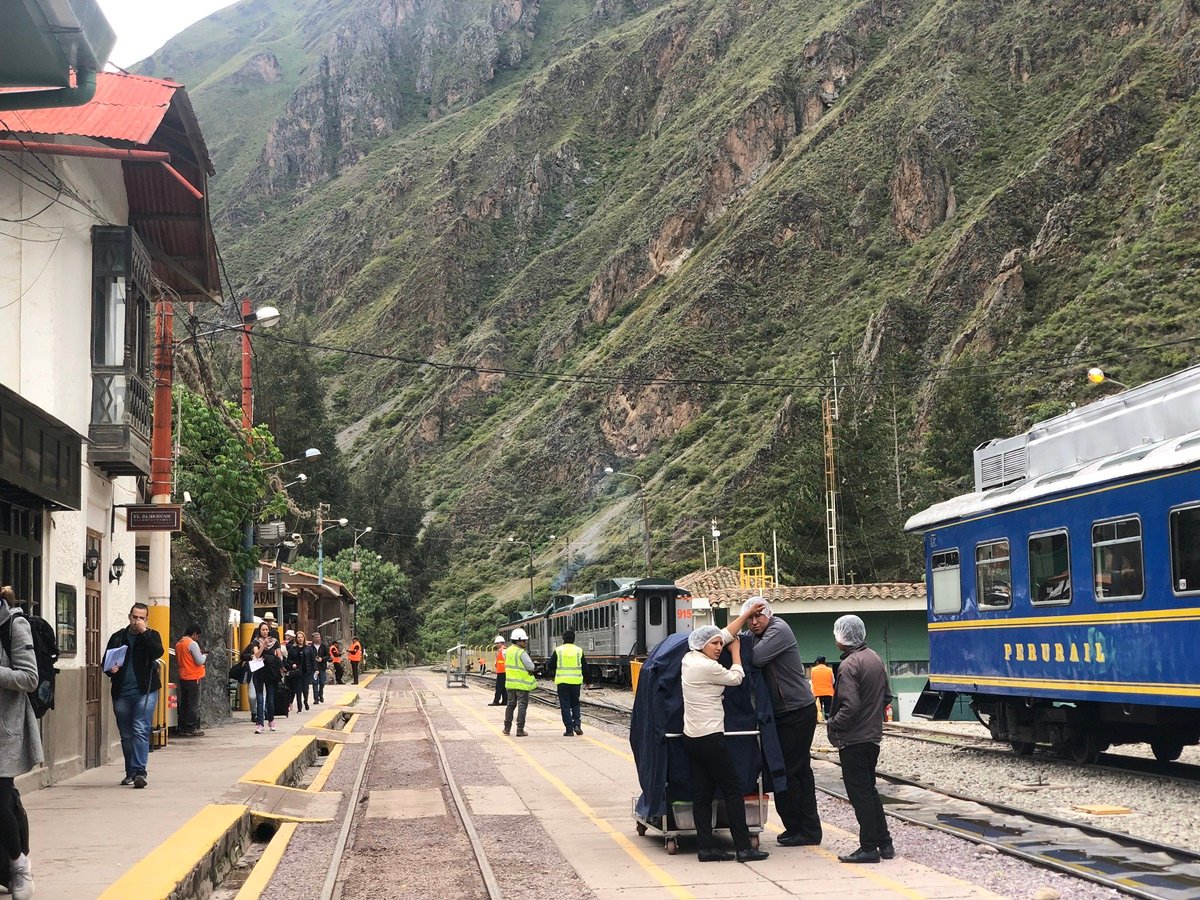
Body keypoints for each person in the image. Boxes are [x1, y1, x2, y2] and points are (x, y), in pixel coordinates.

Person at [735, 597, 822, 847]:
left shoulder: (779, 630)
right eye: (749, 618)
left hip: (797, 711)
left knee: (790, 771)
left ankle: (803, 829)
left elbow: (756, 658)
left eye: (757, 616)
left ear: (769, 615)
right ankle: (804, 828)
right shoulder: (759, 634)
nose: (753, 622)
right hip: (782, 713)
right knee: (798, 770)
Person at [681, 624, 770, 863]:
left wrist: (745, 617)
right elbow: (737, 678)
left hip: (692, 737)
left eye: (722, 644)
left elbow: (720, 633)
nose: (720, 647)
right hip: (711, 738)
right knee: (733, 789)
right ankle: (743, 848)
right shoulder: (709, 667)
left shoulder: (688, 659)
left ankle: (705, 848)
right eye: (715, 644)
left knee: (702, 793)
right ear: (702, 644)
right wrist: (736, 651)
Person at [826, 614, 893, 864]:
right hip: (872, 737)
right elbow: (886, 696)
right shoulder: (875, 658)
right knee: (870, 790)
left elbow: (849, 706)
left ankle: (868, 848)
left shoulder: (848, 665)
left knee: (859, 795)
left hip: (853, 739)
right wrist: (871, 716)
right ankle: (885, 843)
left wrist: (833, 724)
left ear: (843, 637)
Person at [1, 593, 41, 899]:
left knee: (1, 802)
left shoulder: (14, 625)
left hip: (4, 729)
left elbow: (30, 678)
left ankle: (19, 865)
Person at [104, 603, 164, 789]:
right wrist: (111, 669)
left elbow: (157, 652)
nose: (137, 621)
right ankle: (130, 771)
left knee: (140, 729)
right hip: (121, 692)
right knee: (126, 734)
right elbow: (105, 662)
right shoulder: (118, 637)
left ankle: (140, 772)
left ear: (146, 619)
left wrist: (144, 632)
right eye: (134, 617)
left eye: (141, 618)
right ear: (129, 617)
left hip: (145, 691)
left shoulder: (152, 635)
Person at [243, 622, 284, 733]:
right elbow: (257, 655)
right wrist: (263, 645)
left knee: (270, 698)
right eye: (263, 630)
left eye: (266, 630)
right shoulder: (255, 642)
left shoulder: (275, 642)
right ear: (259, 631)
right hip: (259, 671)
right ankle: (260, 724)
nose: (265, 632)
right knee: (259, 698)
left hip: (271, 672)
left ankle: (271, 720)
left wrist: (279, 664)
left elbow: (279, 656)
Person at [547, 630, 587, 736]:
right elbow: (585, 667)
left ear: (563, 639)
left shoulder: (558, 650)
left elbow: (550, 665)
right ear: (574, 639)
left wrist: (556, 669)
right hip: (575, 682)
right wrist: (588, 680)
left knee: (565, 706)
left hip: (562, 682)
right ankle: (577, 725)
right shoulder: (579, 650)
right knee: (575, 703)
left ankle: (569, 730)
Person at [175, 625, 207, 737]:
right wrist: (205, 656)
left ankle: (183, 727)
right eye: (197, 636)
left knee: (184, 703)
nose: (197, 638)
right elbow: (199, 661)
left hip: (183, 676)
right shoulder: (192, 644)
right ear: (194, 634)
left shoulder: (179, 644)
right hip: (193, 677)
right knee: (193, 703)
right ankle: (191, 727)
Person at [502, 628, 536, 737]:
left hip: (510, 684)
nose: (525, 642)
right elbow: (530, 666)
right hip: (522, 684)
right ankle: (520, 730)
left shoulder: (507, 651)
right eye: (524, 640)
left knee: (510, 705)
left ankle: (506, 729)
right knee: (522, 706)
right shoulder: (522, 652)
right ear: (518, 640)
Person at [287, 631, 315, 712]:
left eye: (301, 637)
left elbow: (312, 660)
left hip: (306, 671)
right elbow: (289, 660)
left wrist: (315, 669)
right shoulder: (293, 649)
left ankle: (305, 701)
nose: (300, 639)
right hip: (297, 671)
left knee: (305, 689)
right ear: (296, 638)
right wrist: (292, 664)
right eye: (298, 637)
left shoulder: (308, 648)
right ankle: (299, 707)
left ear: (304, 638)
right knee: (298, 689)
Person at [310, 632, 329, 703]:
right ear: (313, 638)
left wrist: (322, 659)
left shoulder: (324, 646)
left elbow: (328, 656)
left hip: (322, 667)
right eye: (317, 637)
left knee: (322, 682)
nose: (319, 638)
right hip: (314, 668)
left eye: (319, 637)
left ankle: (320, 694)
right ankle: (316, 698)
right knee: (315, 683)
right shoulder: (310, 647)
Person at [489, 636, 507, 706]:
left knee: (499, 687)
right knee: (503, 687)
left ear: (501, 643)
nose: (496, 645)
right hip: (501, 671)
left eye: (497, 643)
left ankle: (496, 701)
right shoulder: (501, 651)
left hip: (503, 672)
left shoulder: (504, 651)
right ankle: (505, 701)